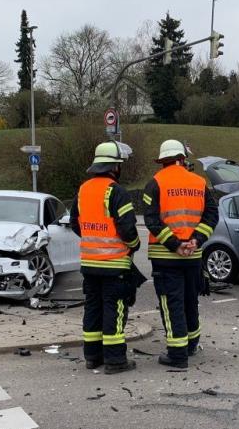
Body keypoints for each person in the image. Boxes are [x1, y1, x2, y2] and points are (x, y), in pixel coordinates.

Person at [143, 140, 218, 369]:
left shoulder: (155, 183)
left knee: (171, 303)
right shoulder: (199, 183)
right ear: (182, 158)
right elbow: (212, 216)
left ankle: (177, 354)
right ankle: (192, 344)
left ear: (162, 161)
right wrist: (196, 240)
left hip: (166, 257)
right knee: (189, 301)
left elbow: (151, 220)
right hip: (193, 257)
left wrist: (176, 244)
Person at [70, 141, 141, 374]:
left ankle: (92, 357)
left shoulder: (83, 190)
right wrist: (134, 245)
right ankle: (115, 360)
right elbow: (128, 229)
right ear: (115, 167)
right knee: (114, 309)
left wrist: (92, 237)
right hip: (114, 263)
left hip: (89, 264)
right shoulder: (116, 192)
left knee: (93, 308)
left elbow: (75, 223)